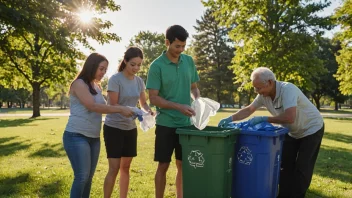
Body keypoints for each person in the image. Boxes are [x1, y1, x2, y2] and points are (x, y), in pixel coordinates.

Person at [218, 67, 324, 198]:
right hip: (292, 131)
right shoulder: (264, 95)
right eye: (255, 88)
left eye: (259, 88)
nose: (257, 91)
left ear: (269, 82)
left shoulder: (287, 90)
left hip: (311, 128)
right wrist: (230, 118)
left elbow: (290, 117)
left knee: (302, 169)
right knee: (285, 167)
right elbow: (249, 109)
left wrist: (265, 118)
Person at [63, 53, 135, 198]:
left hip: (93, 138)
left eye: (105, 70)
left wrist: (132, 110)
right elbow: (93, 106)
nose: (103, 73)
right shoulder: (79, 84)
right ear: (92, 66)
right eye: (101, 69)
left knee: (88, 178)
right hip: (76, 136)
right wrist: (121, 109)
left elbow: (106, 107)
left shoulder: (96, 86)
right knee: (82, 176)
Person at [146, 25, 200, 198]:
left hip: (186, 124)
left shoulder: (188, 61)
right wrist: (179, 106)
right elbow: (153, 98)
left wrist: (198, 100)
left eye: (183, 46)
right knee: (163, 165)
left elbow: (194, 88)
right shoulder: (156, 66)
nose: (181, 50)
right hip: (166, 124)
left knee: (183, 165)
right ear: (167, 42)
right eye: (177, 46)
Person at [103, 47, 154, 198]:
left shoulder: (139, 81)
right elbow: (112, 105)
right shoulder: (115, 79)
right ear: (125, 61)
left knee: (126, 166)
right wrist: (127, 109)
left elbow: (143, 104)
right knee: (114, 168)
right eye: (133, 64)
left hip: (130, 129)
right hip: (113, 128)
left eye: (139, 65)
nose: (136, 68)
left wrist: (148, 111)